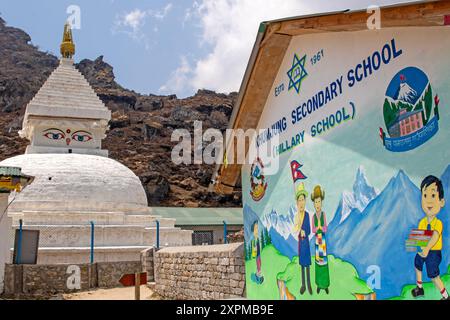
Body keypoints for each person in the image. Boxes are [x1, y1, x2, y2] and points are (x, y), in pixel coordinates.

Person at [411, 175, 449, 300]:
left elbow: (435, 236)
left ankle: (445, 295)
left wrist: (427, 248)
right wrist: (419, 247)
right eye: (425, 196)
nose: (429, 201)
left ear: (441, 202)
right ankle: (419, 288)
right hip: (424, 250)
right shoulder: (422, 222)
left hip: (433, 252)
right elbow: (419, 238)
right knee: (417, 263)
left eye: (433, 196)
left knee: (433, 275)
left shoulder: (438, 223)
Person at [293, 183, 313, 295]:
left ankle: (309, 284)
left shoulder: (307, 215)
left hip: (306, 243)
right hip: (300, 243)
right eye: (299, 200)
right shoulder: (297, 216)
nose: (301, 202)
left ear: (305, 201)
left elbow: (309, 230)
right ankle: (303, 284)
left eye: (303, 200)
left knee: (307, 264)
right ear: (297, 203)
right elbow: (294, 229)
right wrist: (298, 229)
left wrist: (305, 231)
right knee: (302, 264)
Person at [311, 185, 330, 294]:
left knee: (324, 263)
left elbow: (325, 227)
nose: (317, 204)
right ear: (313, 204)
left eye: (319, 202)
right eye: (315, 202)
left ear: (321, 202)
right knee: (318, 262)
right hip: (317, 241)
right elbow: (313, 229)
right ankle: (319, 284)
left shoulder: (323, 214)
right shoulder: (313, 216)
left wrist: (320, 228)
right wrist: (316, 228)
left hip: (322, 240)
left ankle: (325, 284)